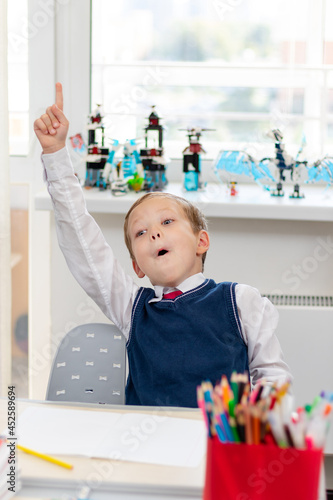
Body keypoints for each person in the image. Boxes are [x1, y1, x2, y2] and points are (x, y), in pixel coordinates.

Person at [34, 83, 292, 408]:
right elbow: (83, 243)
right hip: (146, 450)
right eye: (140, 233)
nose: (154, 233)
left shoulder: (241, 302)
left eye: (167, 222)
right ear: (137, 266)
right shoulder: (131, 307)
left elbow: (273, 381)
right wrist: (56, 154)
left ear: (201, 241)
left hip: (216, 452)